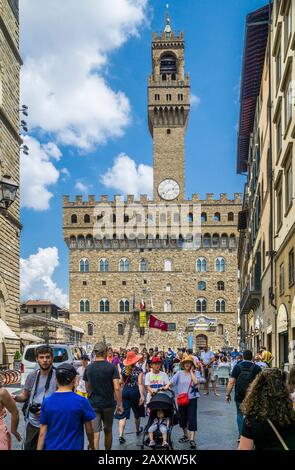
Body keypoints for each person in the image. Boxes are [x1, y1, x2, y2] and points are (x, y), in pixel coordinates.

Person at [37, 364, 95, 450]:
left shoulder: (47, 402)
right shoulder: (82, 401)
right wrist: (92, 445)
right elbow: (89, 430)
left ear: (56, 380)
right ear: (74, 380)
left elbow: (42, 432)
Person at [238, 368, 295, 450]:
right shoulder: (291, 414)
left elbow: (244, 448)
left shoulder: (252, 419)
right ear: (283, 389)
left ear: (256, 389)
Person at [13, 345, 56, 450]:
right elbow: (24, 396)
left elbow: (63, 400)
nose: (44, 360)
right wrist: (14, 397)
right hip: (33, 423)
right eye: (41, 357)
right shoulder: (32, 376)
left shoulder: (58, 376)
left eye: (47, 357)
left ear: (52, 358)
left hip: (51, 423)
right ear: (37, 359)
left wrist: (48, 409)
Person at [83, 340, 123, 450]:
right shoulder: (111, 367)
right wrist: (120, 404)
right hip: (108, 404)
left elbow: (87, 387)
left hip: (93, 403)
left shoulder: (88, 368)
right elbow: (116, 387)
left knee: (95, 432)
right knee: (108, 430)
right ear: (105, 352)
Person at [226, 350, 261, 440]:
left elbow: (231, 382)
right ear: (251, 357)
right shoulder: (257, 368)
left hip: (240, 394)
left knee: (240, 414)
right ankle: (252, 434)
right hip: (252, 395)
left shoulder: (237, 367)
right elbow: (261, 383)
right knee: (252, 414)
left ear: (243, 357)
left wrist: (227, 394)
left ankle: (241, 435)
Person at [166, 355, 200, 449]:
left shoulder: (196, 373)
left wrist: (192, 372)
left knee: (192, 418)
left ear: (192, 364)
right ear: (183, 364)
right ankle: (186, 435)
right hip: (181, 399)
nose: (187, 364)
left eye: (189, 363)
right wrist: (167, 386)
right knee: (183, 418)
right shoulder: (179, 373)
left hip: (192, 399)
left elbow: (196, 382)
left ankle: (192, 439)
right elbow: (172, 381)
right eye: (185, 363)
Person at [115, 350, 145, 444]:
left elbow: (122, 382)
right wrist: (142, 395)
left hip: (125, 391)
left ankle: (120, 435)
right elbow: (140, 383)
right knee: (137, 413)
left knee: (123, 414)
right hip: (135, 391)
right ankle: (137, 430)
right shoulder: (139, 370)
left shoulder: (124, 369)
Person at [0, 375, 21, 450]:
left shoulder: (2, 392)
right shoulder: (2, 392)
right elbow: (15, 412)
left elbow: (15, 412)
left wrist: (14, 430)